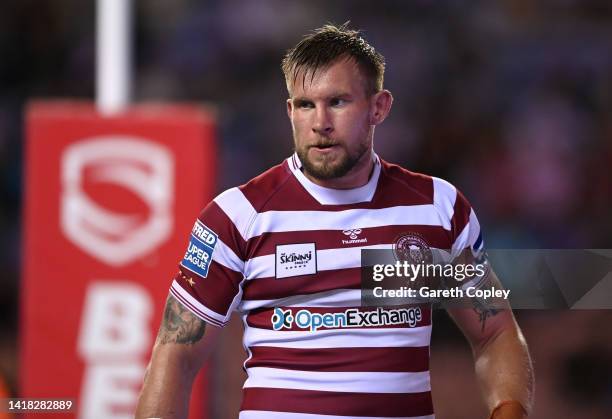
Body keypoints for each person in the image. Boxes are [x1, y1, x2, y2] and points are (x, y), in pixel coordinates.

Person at [136, 23, 534, 419]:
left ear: (379, 107)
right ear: (290, 111)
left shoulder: (438, 208)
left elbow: (495, 332)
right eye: (305, 105)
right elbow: (175, 355)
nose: (320, 122)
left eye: (338, 102)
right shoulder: (238, 215)